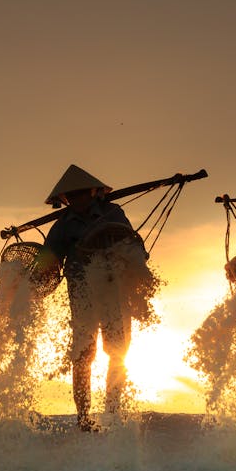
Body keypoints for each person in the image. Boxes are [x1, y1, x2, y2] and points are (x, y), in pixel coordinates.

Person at [39, 165, 138, 432]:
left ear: (94, 192)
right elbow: (48, 261)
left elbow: (132, 243)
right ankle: (83, 416)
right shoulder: (62, 227)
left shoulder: (113, 213)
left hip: (113, 288)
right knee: (83, 353)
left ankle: (113, 412)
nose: (79, 199)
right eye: (73, 196)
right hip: (82, 292)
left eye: (83, 193)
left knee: (117, 350)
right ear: (66, 199)